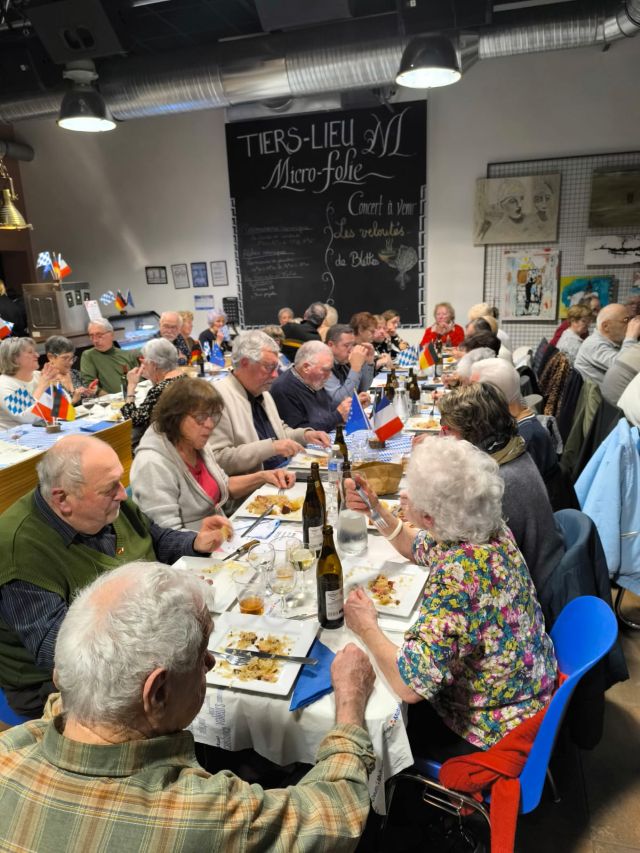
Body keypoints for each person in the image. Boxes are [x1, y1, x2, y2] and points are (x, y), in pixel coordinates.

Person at [0, 561, 377, 852]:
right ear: (157, 692)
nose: (211, 664)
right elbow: (338, 814)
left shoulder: (10, 750)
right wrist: (349, 703)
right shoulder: (204, 815)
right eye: (201, 655)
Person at [343, 437, 556, 761]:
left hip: (494, 729)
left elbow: (409, 685)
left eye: (409, 494)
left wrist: (366, 626)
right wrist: (376, 509)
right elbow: (414, 545)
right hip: (525, 694)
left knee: (382, 715)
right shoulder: (487, 529)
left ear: (429, 519)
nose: (403, 497)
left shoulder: (459, 576)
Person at [0, 434, 232, 718]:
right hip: (63, 686)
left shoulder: (106, 506)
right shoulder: (20, 551)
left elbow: (154, 538)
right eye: (110, 488)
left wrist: (195, 543)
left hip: (137, 633)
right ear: (62, 499)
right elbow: (65, 657)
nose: (123, 493)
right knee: (204, 684)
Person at [437, 382, 564, 593]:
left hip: (525, 588)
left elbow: (468, 558)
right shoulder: (511, 449)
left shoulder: (497, 482)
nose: (443, 437)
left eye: (448, 430)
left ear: (473, 433)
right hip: (538, 567)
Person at [131, 378, 295, 530]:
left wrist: (264, 476)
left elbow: (224, 485)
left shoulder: (197, 445)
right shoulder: (152, 463)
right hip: (189, 553)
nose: (210, 424)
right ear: (175, 416)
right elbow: (167, 536)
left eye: (214, 416)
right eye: (201, 417)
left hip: (220, 537)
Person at [209, 330, 329, 475]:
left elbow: (280, 432)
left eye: (276, 368)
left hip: (282, 473)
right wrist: (271, 448)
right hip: (253, 488)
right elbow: (218, 460)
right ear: (245, 363)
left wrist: (305, 435)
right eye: (268, 367)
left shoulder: (263, 392)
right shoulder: (217, 398)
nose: (275, 375)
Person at [469, 358, 559, 484]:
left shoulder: (524, 440)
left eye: (472, 390)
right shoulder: (510, 422)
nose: (467, 397)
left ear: (494, 394)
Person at [271, 340, 351, 432]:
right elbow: (300, 433)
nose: (329, 375)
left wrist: (348, 406)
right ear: (306, 368)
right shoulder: (284, 389)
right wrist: (337, 416)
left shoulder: (312, 380)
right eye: (325, 370)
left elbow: (326, 409)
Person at [121, 338, 186, 449]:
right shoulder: (184, 378)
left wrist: (131, 386)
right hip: (182, 439)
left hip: (163, 447)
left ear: (154, 365)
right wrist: (152, 376)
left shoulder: (160, 390)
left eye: (145, 362)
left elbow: (133, 420)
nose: (144, 365)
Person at [574, 302, 640, 386]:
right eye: (626, 320)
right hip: (601, 398)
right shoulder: (593, 345)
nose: (630, 325)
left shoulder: (614, 342)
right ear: (606, 326)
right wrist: (631, 337)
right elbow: (623, 369)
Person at [0, 337, 59, 429]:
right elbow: (27, 417)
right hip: (14, 438)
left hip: (43, 430)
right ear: (14, 358)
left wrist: (55, 385)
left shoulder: (38, 375)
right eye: (30, 352)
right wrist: (42, 386)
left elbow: (63, 407)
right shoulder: (4, 384)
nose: (37, 355)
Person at [80, 318, 140, 394]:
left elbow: (139, 380)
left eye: (99, 335)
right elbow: (90, 385)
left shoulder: (127, 354)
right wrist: (113, 399)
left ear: (111, 334)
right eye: (91, 336)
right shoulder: (88, 355)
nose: (95, 340)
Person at [324, 324, 374, 406]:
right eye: (346, 345)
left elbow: (362, 389)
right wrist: (355, 368)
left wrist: (368, 362)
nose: (351, 350)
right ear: (330, 345)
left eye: (353, 345)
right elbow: (340, 401)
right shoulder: (323, 365)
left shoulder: (343, 360)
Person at [44, 335, 96, 405]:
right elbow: (53, 413)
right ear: (51, 357)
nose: (71, 362)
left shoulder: (76, 374)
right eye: (65, 358)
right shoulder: (46, 382)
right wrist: (73, 401)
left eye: (72, 358)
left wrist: (90, 393)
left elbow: (90, 402)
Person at [601, 342, 640, 407]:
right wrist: (630, 338)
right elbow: (613, 362)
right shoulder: (594, 344)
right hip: (620, 403)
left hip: (609, 405)